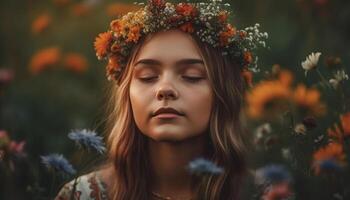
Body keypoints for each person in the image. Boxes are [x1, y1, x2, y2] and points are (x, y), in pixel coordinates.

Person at [55, 0, 267, 199]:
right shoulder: (82, 195)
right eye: (148, 76)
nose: (165, 89)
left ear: (223, 92)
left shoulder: (267, 194)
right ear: (127, 92)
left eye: (191, 76)